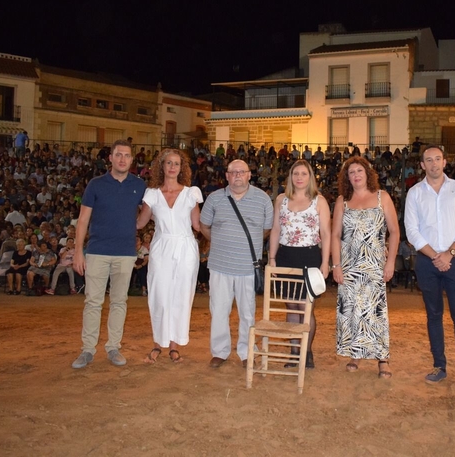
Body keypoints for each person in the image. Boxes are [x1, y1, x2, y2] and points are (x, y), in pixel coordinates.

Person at [405, 145, 455, 390]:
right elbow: (412, 231)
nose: (433, 164)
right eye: (428, 160)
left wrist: (449, 254)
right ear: (422, 165)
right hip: (427, 262)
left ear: (444, 162)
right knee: (434, 316)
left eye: (437, 159)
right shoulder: (414, 193)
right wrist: (436, 255)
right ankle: (439, 366)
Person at [71, 139, 146, 369]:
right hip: (97, 251)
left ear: (132, 160)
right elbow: (83, 220)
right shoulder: (96, 184)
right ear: (110, 158)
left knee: (119, 302)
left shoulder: (139, 185)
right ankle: (87, 350)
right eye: (118, 155)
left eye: (127, 155)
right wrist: (78, 252)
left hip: (125, 253)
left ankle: (113, 347)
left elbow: (148, 214)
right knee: (93, 302)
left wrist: (140, 228)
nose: (123, 159)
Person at [200, 159, 273, 369]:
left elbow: (267, 229)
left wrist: (244, 242)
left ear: (250, 175)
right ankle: (220, 352)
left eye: (242, 172)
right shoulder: (214, 198)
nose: (238, 175)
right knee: (219, 311)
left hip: (248, 267)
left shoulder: (262, 199)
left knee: (247, 313)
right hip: (220, 265)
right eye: (233, 172)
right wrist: (222, 241)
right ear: (227, 176)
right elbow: (204, 226)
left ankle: (246, 351)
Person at [332, 156, 400, 378]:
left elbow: (395, 232)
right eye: (351, 172)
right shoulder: (342, 201)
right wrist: (336, 265)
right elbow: (335, 235)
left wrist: (390, 262)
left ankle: (383, 358)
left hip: (374, 265)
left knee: (376, 310)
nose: (356, 175)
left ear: (367, 173)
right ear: (346, 177)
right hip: (350, 265)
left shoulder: (382, 197)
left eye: (359, 170)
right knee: (353, 310)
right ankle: (356, 354)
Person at [136, 149, 203, 364]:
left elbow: (198, 225)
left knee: (181, 297)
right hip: (161, 247)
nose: (172, 167)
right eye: (168, 163)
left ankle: (174, 346)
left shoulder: (192, 193)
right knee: (159, 295)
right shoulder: (152, 194)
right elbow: (139, 223)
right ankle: (158, 343)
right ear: (161, 167)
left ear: (181, 167)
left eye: (176, 163)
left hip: (186, 247)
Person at [268, 159, 331, 369]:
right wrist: (272, 258)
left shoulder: (319, 201)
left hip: (310, 258)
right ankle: (294, 353)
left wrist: (325, 262)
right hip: (285, 256)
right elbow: (276, 230)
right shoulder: (281, 200)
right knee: (291, 305)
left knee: (306, 307)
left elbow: (326, 234)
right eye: (296, 174)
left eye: (304, 174)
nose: (299, 178)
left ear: (310, 177)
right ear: (290, 177)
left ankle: (307, 352)